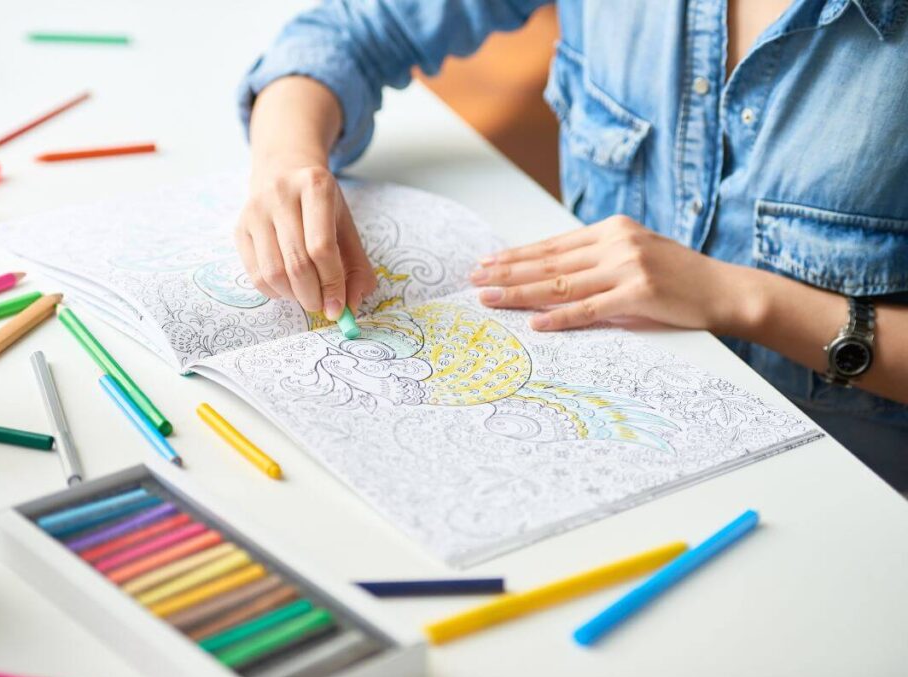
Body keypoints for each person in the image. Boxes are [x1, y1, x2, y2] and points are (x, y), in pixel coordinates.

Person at [235, 0, 908, 489]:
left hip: (845, 500)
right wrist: (288, 164)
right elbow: (355, 30)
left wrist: (740, 298)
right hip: (598, 450)